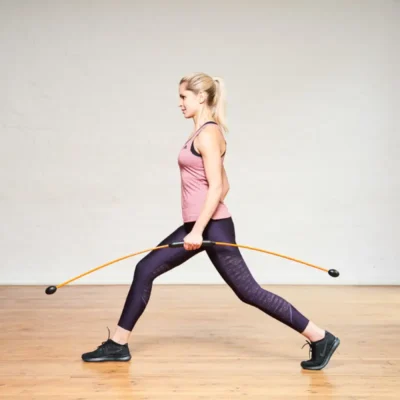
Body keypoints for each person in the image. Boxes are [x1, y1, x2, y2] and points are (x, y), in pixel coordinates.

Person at [81, 72, 340, 370]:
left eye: (184, 97)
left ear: (201, 97)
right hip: (202, 225)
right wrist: (197, 225)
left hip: (210, 227)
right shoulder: (200, 134)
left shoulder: (208, 134)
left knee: (249, 292)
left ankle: (321, 337)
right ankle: (118, 344)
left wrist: (199, 230)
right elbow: (224, 184)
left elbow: (216, 188)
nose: (179, 103)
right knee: (146, 269)